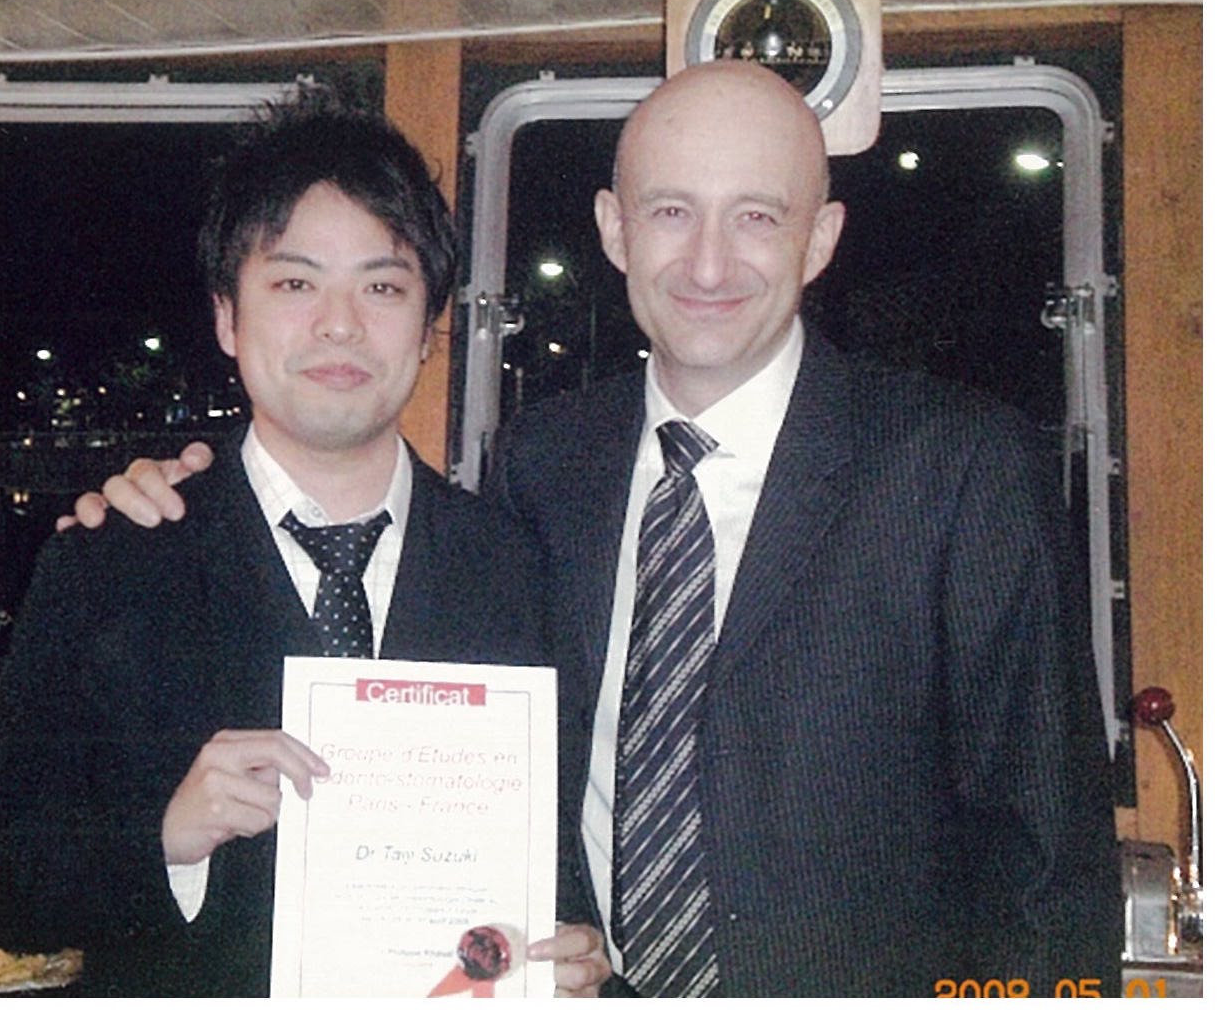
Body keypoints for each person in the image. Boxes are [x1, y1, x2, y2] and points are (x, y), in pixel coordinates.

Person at [64, 62, 1123, 997]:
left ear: (821, 238)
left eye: (757, 217)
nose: (708, 264)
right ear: (616, 229)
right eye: (671, 212)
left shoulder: (960, 466)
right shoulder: (544, 465)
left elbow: (1050, 865)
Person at [0, 94, 609, 997]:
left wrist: (569, 958)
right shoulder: (114, 559)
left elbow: (555, 860)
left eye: (382, 287)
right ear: (228, 317)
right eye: (295, 284)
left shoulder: (514, 570)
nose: (340, 325)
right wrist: (167, 838)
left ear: (428, 328)